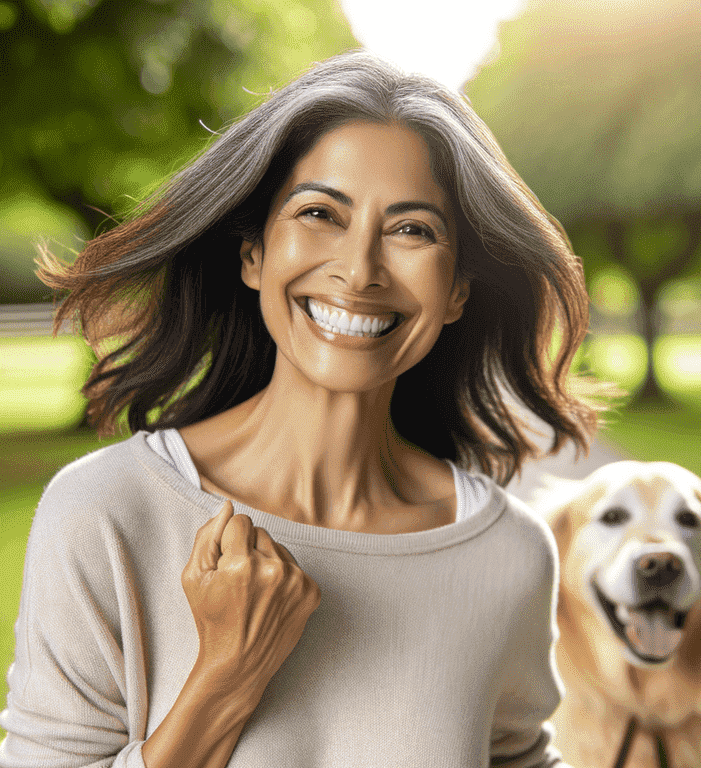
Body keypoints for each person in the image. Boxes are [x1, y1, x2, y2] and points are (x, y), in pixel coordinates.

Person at [0, 50, 601, 767]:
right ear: (254, 254)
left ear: (458, 291)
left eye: (412, 230)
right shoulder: (106, 513)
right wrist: (226, 678)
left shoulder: (509, 555)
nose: (360, 270)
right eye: (320, 214)